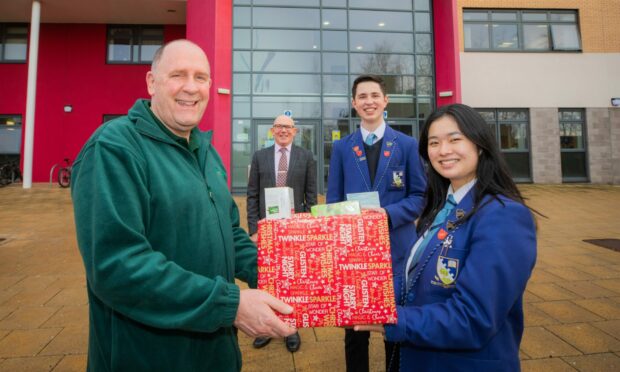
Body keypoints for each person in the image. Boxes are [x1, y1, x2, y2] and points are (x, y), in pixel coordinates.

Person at [71, 39, 296, 371]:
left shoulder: (206, 152)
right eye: (178, 75)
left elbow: (230, 235)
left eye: (201, 77)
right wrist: (231, 305)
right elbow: (117, 266)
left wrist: (284, 273)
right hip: (147, 357)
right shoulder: (114, 147)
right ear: (151, 82)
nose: (191, 88)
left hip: (215, 355)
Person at [355, 103, 537, 371]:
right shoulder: (441, 208)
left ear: (480, 145)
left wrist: (393, 320)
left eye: (455, 139)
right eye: (434, 142)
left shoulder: (503, 216)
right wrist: (361, 295)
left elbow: (474, 318)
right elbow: (413, 281)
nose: (443, 151)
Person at [326, 74, 426, 372]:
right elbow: (333, 201)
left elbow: (420, 195)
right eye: (362, 97)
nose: (369, 101)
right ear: (354, 104)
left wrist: (386, 215)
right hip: (355, 252)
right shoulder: (343, 148)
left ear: (386, 100)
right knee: (355, 330)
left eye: (374, 95)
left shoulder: (407, 145)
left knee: (393, 325)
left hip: (397, 250)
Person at [246, 114, 317, 352]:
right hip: (267, 229)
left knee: (293, 280)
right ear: (272, 130)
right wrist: (254, 229)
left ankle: (291, 329)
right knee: (267, 279)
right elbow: (252, 195)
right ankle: (266, 328)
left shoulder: (306, 157)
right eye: (278, 127)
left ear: (295, 131)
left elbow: (311, 196)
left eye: (287, 127)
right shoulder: (259, 156)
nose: (283, 131)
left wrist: (306, 227)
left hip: (295, 229)